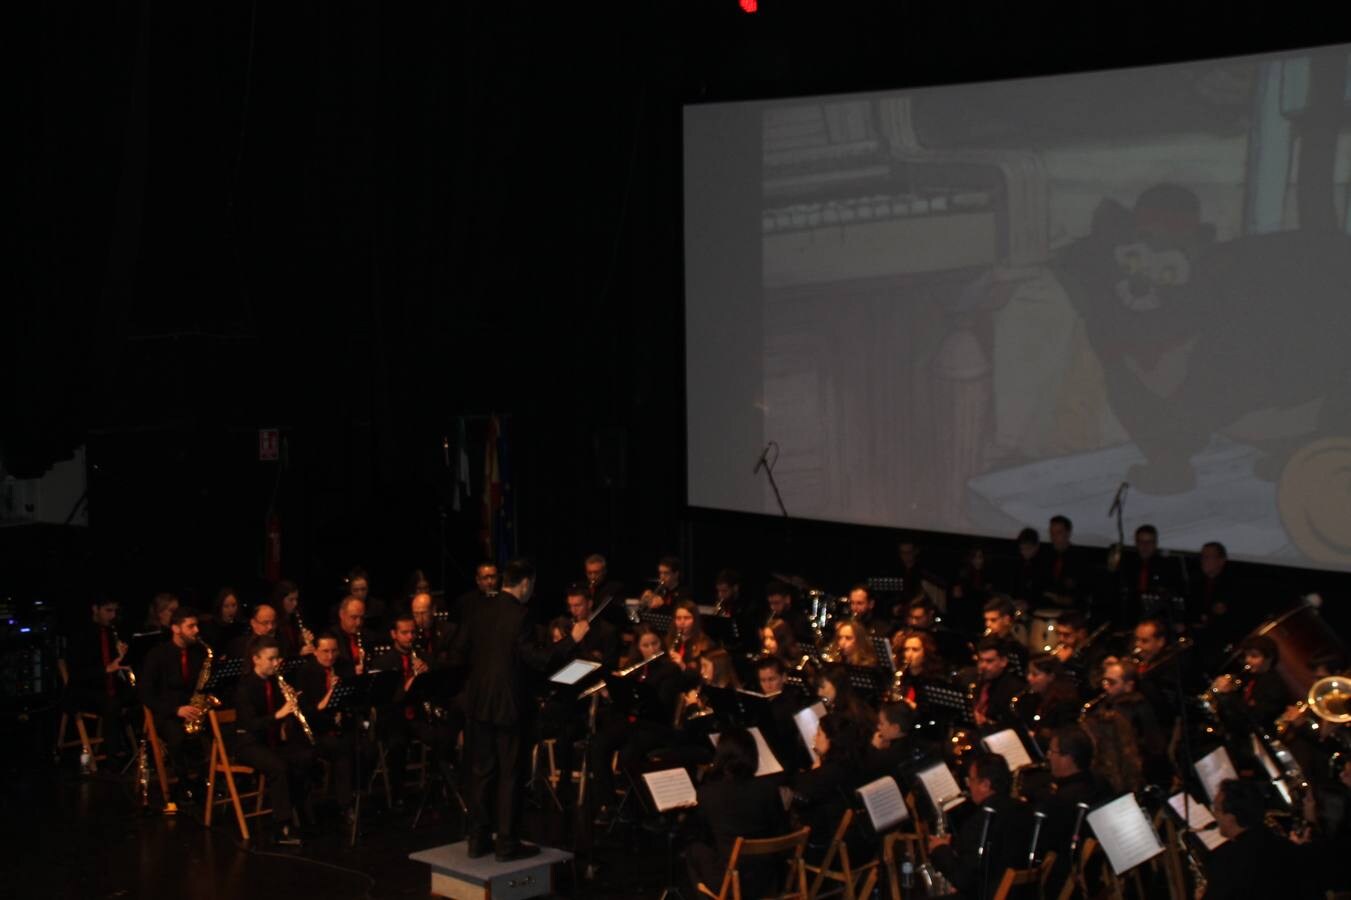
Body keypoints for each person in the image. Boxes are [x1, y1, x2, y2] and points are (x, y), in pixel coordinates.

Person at [447, 558, 585, 861]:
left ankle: (477, 838)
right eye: (531, 586)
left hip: (478, 702)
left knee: (481, 772)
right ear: (525, 583)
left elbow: (459, 652)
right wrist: (571, 641)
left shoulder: (477, 610)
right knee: (510, 773)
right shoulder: (521, 615)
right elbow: (537, 660)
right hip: (509, 705)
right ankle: (507, 842)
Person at [373, 613, 461, 808]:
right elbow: (387, 699)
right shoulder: (383, 663)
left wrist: (427, 675)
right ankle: (398, 795)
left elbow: (438, 686)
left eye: (412, 632)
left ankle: (438, 785)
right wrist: (411, 682)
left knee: (442, 737)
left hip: (418, 716)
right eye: (404, 633)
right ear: (394, 634)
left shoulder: (423, 656)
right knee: (397, 744)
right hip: (394, 718)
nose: (410, 637)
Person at [685, 727, 784, 898]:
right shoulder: (768, 789)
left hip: (731, 880)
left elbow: (704, 834)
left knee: (694, 850)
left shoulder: (708, 793)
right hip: (767, 878)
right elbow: (780, 829)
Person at [233, 636, 313, 846]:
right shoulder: (244, 687)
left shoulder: (277, 682)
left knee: (306, 757)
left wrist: (293, 703)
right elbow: (250, 724)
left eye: (277, 658)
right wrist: (279, 715)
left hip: (272, 741)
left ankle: (302, 813)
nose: (276, 663)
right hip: (249, 743)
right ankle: (282, 826)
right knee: (278, 767)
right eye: (271, 659)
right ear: (256, 659)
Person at [928, 752, 1036, 900]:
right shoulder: (1024, 809)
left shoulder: (983, 820)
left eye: (971, 780)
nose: (969, 785)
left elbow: (965, 880)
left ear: (985, 785)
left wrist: (940, 850)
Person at [139, 606, 210, 807]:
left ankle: (203, 782)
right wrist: (176, 710)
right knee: (177, 737)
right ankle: (182, 783)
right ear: (176, 628)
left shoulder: (199, 653)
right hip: (168, 712)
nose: (196, 630)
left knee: (214, 733)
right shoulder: (158, 654)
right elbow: (145, 693)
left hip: (193, 710)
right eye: (191, 626)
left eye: (196, 626)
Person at [1203, 778, 1304, 899]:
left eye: (1217, 810)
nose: (1214, 815)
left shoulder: (1227, 862)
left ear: (1231, 817)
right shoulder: (1287, 846)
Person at [64, 596, 138, 762]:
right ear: (95, 609)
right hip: (85, 690)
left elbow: (117, 666)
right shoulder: (80, 635)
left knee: (140, 695)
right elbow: (76, 674)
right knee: (111, 703)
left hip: (110, 687)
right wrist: (107, 668)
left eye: (115, 611)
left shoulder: (113, 631)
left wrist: (124, 658)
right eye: (108, 611)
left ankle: (142, 750)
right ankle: (113, 756)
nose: (112, 616)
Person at [294, 633, 359, 821]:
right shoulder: (305, 672)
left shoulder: (343, 667)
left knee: (361, 748)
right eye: (325, 651)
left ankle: (348, 801)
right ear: (315, 651)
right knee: (341, 751)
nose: (330, 656)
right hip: (316, 731)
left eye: (334, 651)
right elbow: (307, 711)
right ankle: (342, 805)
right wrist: (330, 694)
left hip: (340, 727)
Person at [972, 637, 1026, 732]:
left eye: (989, 661)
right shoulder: (976, 679)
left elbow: (1011, 728)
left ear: (1003, 661)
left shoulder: (1014, 689)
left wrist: (985, 722)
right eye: (980, 660)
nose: (983, 666)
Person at [666, 599, 713, 672]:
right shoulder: (669, 640)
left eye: (687, 618)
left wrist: (683, 666)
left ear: (695, 620)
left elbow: (702, 675)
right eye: (678, 618)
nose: (682, 622)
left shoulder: (704, 643)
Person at [273, 580, 313, 658]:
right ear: (280, 600)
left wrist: (303, 641)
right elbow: (280, 653)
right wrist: (299, 654)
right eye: (291, 600)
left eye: (296, 599)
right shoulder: (273, 622)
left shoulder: (294, 619)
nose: (295, 603)